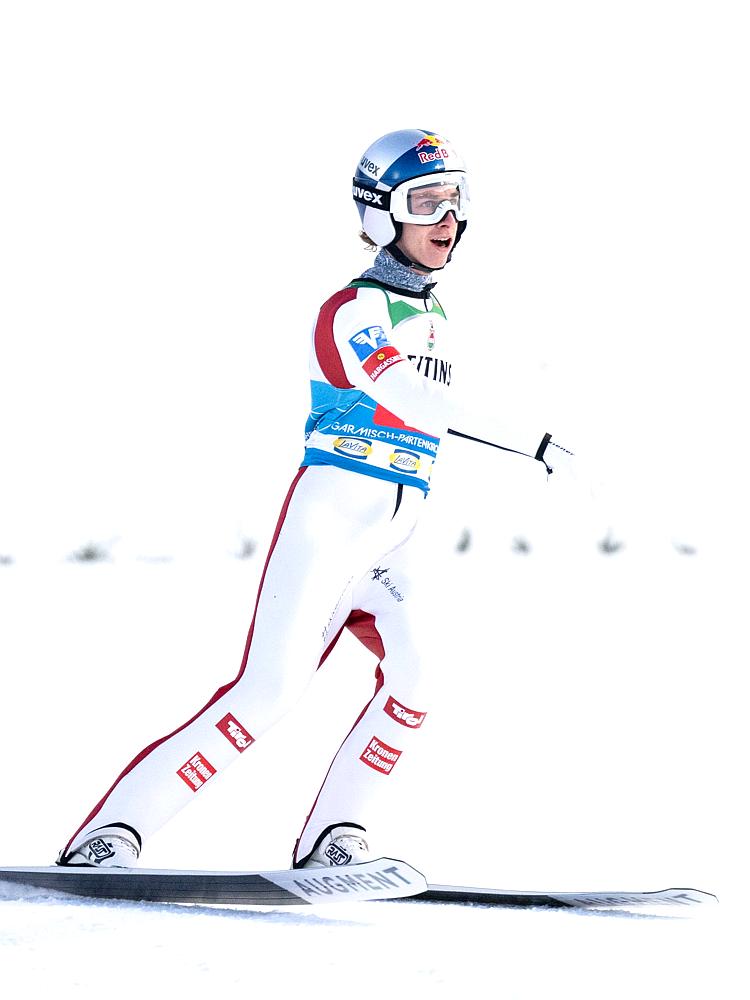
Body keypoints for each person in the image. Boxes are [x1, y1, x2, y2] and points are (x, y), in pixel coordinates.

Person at [57, 129, 573, 871]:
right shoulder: (350, 310)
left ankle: (337, 837)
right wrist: (536, 441)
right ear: (379, 215)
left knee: (420, 681)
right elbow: (409, 396)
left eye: (453, 200)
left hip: (399, 535)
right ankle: (111, 836)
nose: (446, 219)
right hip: (331, 524)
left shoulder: (437, 317)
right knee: (266, 693)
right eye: (424, 202)